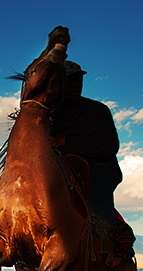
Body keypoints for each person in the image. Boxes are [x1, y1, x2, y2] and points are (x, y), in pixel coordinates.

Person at [50, 61, 122, 227]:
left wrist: (66, 141)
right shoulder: (49, 112)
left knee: (96, 177)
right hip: (56, 167)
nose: (74, 85)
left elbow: (109, 146)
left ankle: (106, 235)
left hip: (93, 170)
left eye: (77, 80)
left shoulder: (98, 111)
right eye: (69, 81)